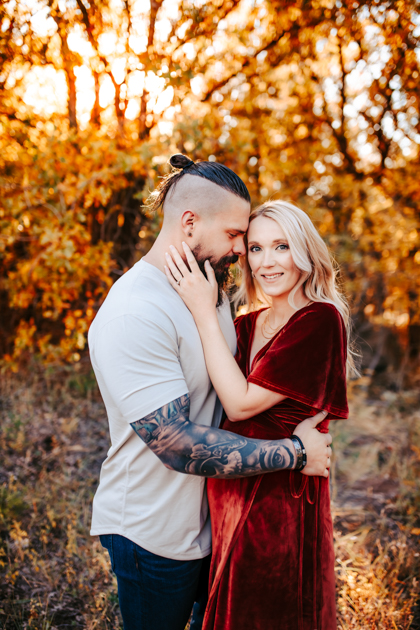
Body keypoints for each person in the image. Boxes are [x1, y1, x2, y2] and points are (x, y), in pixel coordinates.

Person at [88, 155, 332, 630]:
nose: (241, 249)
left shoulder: (209, 289)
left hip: (212, 526)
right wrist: (296, 453)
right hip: (153, 536)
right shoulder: (134, 312)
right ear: (190, 222)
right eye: (235, 235)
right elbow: (178, 445)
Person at [165, 199, 352, 630]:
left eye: (281, 246)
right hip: (230, 490)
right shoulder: (249, 322)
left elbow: (240, 403)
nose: (267, 262)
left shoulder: (318, 320)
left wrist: (202, 308)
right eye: (255, 248)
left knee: (265, 610)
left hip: (277, 500)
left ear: (304, 253)